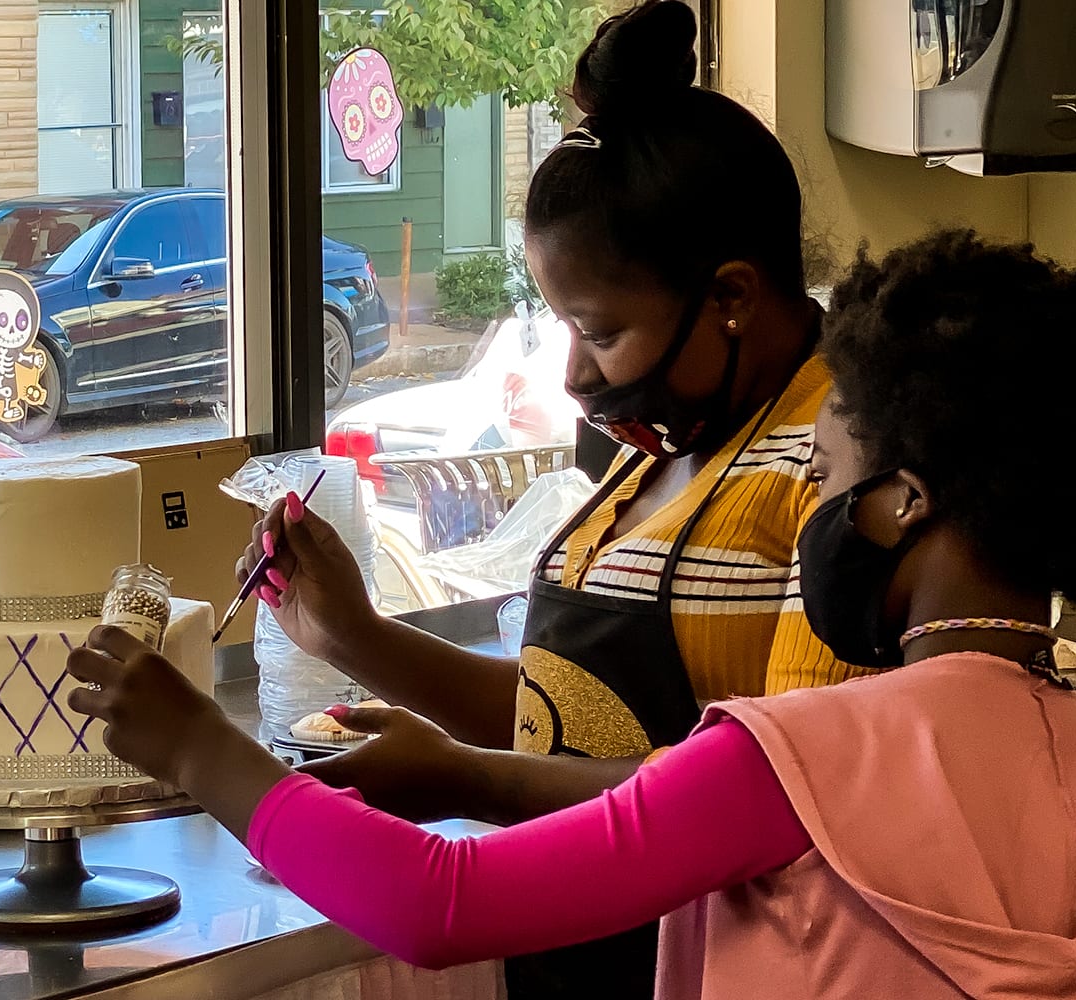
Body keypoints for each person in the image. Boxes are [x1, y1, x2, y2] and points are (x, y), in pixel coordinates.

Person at [70, 228, 1076, 998]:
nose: (811, 510)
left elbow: (436, 903)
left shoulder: (799, 759)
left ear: (900, 500)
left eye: (819, 478)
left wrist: (200, 749)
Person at [244, 4, 868, 994]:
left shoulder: (832, 467)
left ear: (732, 296)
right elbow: (570, 721)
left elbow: (778, 798)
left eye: (602, 331)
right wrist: (347, 634)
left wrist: (461, 778)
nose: (573, 375)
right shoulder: (673, 443)